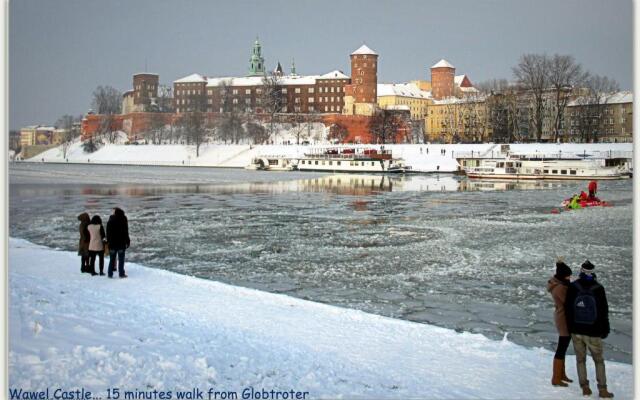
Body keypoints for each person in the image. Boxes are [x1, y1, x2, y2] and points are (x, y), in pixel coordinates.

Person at [564, 260, 613, 398]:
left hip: (576, 330)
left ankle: (584, 387)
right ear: (593, 272)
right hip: (594, 331)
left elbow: (568, 308)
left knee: (580, 360)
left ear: (581, 270)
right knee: (599, 361)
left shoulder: (573, 287)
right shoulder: (598, 288)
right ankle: (602, 390)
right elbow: (603, 311)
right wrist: (605, 329)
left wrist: (570, 327)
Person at [547, 259, 573, 387]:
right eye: (568, 275)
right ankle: (556, 378)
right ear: (563, 276)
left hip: (561, 316)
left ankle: (562, 374)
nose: (570, 278)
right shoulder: (560, 288)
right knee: (562, 347)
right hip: (563, 319)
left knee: (563, 347)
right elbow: (569, 303)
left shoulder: (559, 284)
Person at [106, 207, 131, 278]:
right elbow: (126, 232)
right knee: (121, 259)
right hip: (121, 244)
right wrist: (128, 241)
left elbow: (108, 233)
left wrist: (108, 242)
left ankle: (110, 274)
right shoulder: (123, 219)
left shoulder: (110, 221)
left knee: (112, 259)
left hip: (112, 244)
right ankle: (121, 273)